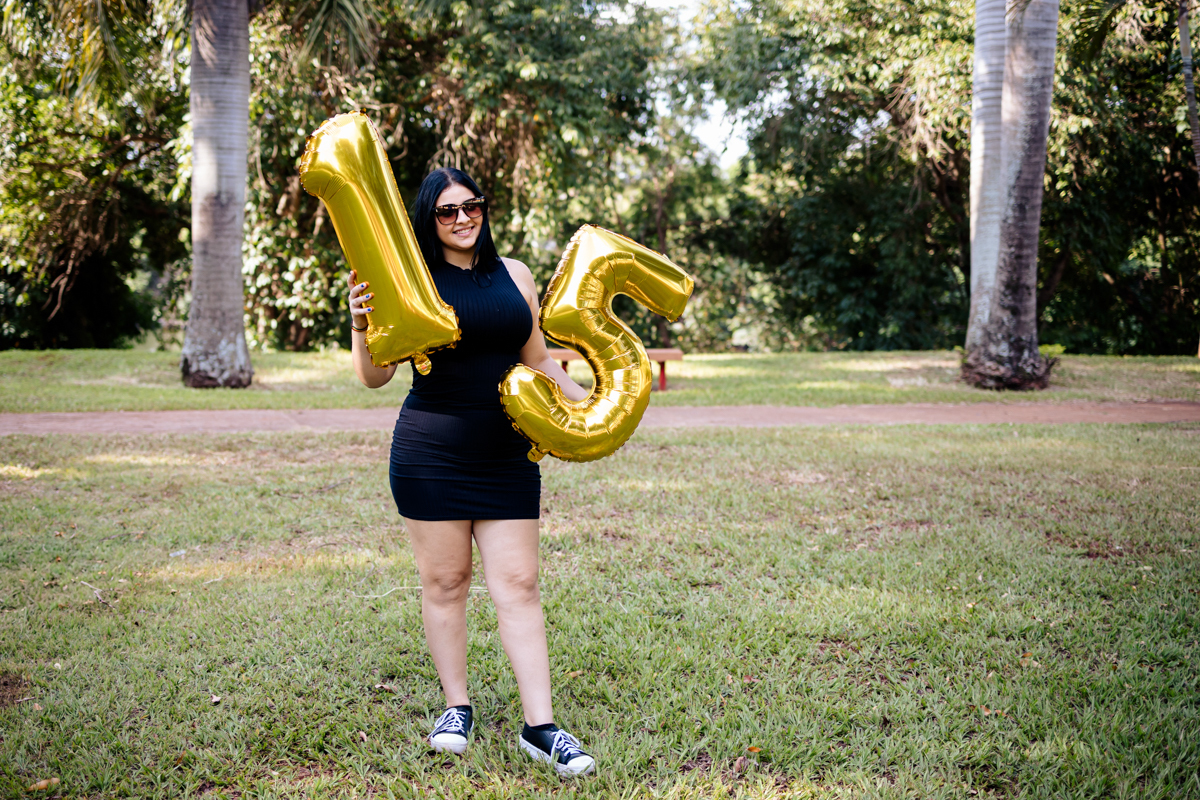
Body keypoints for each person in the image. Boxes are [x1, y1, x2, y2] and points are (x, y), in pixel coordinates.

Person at [346, 167, 595, 776]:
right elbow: (375, 376)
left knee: (520, 585)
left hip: (508, 451)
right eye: (447, 211)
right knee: (446, 582)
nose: (462, 218)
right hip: (430, 452)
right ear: (428, 221)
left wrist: (592, 405)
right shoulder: (408, 281)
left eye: (472, 206)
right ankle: (457, 707)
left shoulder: (515, 276)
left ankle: (541, 727)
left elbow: (535, 359)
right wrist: (358, 323)